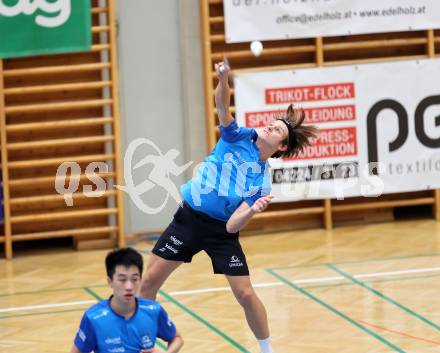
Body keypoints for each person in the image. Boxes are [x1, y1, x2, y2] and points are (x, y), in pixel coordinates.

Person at [140, 60, 317, 353]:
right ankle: (143, 344)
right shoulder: (239, 136)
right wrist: (223, 80)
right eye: (271, 124)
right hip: (189, 219)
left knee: (246, 294)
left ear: (282, 147)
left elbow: (232, 226)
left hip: (221, 232)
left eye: (276, 131)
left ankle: (266, 349)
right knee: (148, 282)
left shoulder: (262, 182)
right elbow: (222, 107)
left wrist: (252, 209)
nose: (269, 127)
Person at [70, 248, 183, 353]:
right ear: (110, 281)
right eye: (122, 279)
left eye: (134, 279)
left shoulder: (153, 310)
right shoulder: (93, 318)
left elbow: (177, 338)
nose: (129, 286)